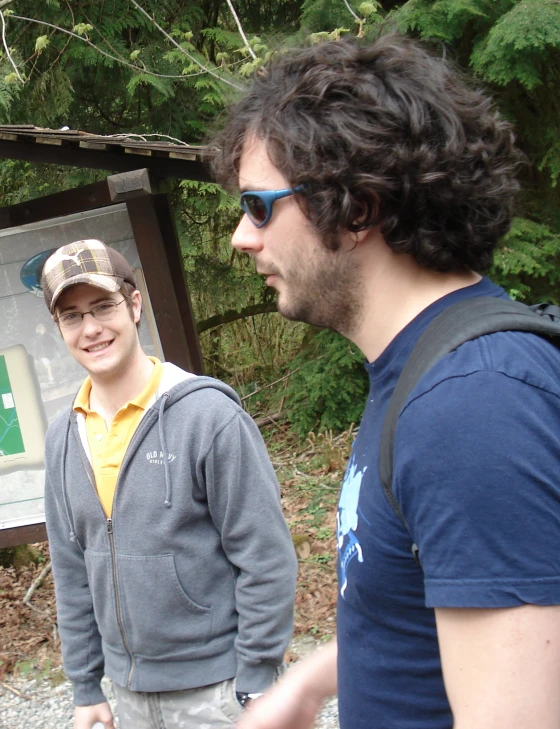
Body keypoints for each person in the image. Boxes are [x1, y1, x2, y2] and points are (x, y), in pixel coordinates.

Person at [211, 35, 560, 729]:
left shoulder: (472, 401)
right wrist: (314, 678)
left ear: (358, 207)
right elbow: (425, 599)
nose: (240, 238)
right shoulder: (425, 372)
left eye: (257, 205)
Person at [40, 239, 298, 729]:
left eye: (103, 306)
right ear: (59, 328)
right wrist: (85, 685)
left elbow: (265, 557)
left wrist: (258, 674)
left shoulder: (209, 417)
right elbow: (72, 570)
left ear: (134, 305)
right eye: (72, 316)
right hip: (129, 697)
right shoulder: (63, 437)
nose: (91, 328)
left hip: (222, 692)